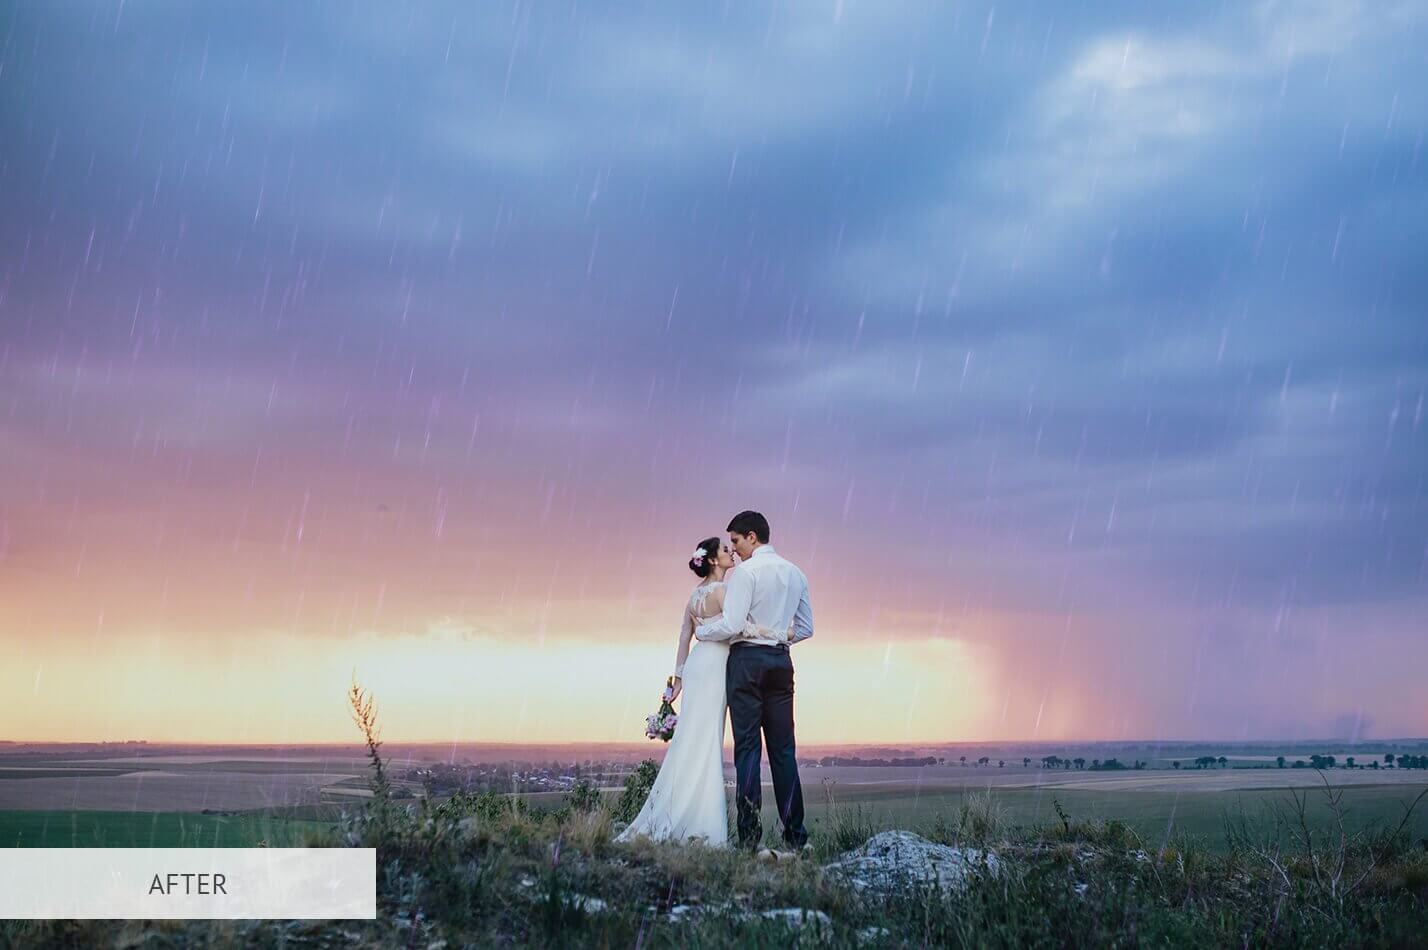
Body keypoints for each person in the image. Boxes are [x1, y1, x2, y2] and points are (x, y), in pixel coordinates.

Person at [693, 510, 813, 854]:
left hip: (746, 663)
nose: (734, 549)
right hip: (780, 662)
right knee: (784, 752)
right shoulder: (796, 573)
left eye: (735, 541)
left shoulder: (746, 573)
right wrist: (776, 634)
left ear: (752, 537)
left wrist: (703, 631)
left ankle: (749, 840)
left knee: (747, 750)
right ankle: (796, 837)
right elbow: (805, 629)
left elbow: (731, 624)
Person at [616, 537, 737, 846]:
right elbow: (736, 628)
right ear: (712, 560)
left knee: (691, 738)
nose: (730, 552)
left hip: (696, 666)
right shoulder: (722, 591)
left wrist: (678, 680)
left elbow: (684, 638)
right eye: (725, 550)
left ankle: (679, 810)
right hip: (714, 666)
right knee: (706, 738)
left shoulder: (694, 597)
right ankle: (700, 821)